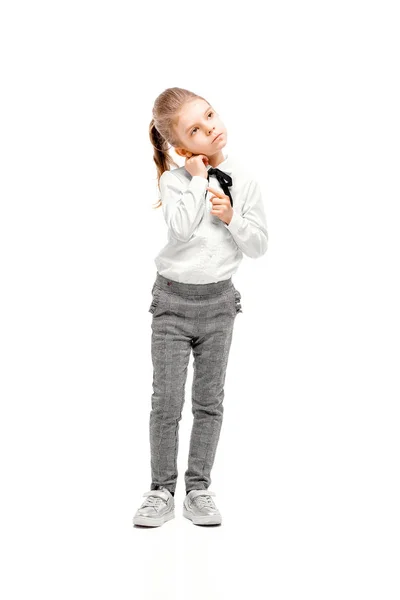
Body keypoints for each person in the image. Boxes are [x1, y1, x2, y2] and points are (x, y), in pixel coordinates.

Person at [133, 87, 268, 528]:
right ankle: (160, 490)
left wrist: (232, 217)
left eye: (209, 115)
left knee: (209, 401)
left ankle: (199, 489)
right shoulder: (174, 182)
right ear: (181, 146)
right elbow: (179, 231)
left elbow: (259, 245)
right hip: (172, 302)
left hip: (218, 304)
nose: (211, 127)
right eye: (196, 128)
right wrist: (195, 178)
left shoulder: (244, 181)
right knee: (166, 402)